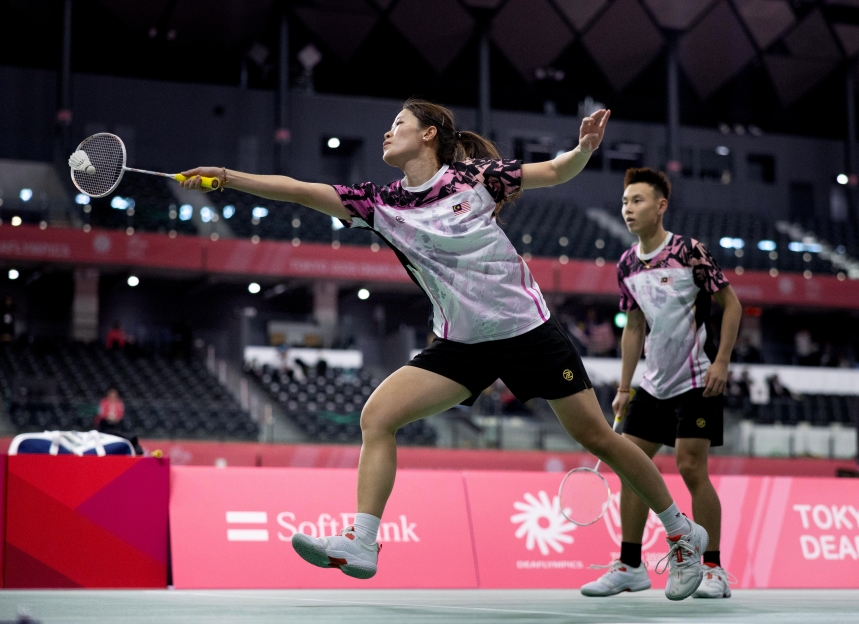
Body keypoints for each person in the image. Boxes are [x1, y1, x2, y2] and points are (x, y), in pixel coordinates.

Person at [181, 100, 709, 600]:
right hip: (461, 343)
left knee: (599, 438)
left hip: (527, 331)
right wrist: (229, 178)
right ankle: (364, 539)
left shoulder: (476, 177)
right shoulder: (380, 203)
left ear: (429, 134)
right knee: (378, 416)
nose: (388, 132)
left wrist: (584, 150)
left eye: (400, 122)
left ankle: (683, 533)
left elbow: (554, 172)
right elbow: (300, 190)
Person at [579, 168, 741, 600]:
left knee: (691, 467)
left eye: (637, 201)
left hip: (697, 377)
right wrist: (624, 386)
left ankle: (714, 569)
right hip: (651, 384)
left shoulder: (689, 251)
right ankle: (631, 566)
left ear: (660, 205)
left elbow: (732, 304)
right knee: (632, 466)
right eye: (625, 203)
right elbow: (633, 327)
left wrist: (722, 362)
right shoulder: (627, 262)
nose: (628, 209)